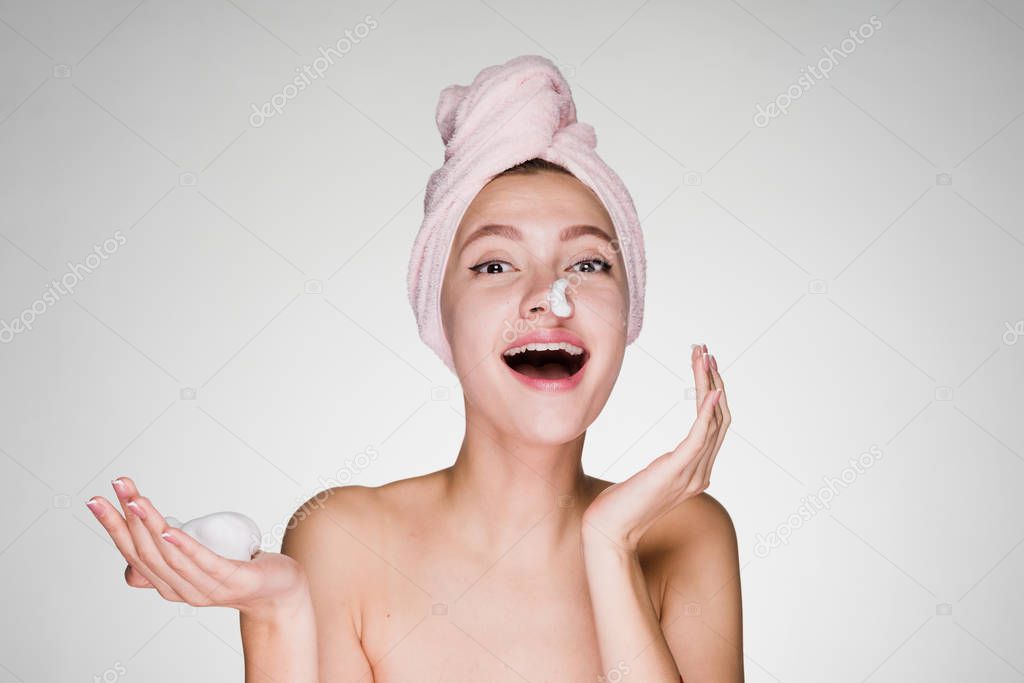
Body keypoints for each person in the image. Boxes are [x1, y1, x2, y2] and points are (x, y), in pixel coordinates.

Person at [85, 56, 742, 682]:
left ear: (629, 313)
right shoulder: (342, 540)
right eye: (495, 263)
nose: (549, 294)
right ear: (439, 316)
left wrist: (609, 542)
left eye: (589, 263)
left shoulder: (686, 534)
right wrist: (279, 612)